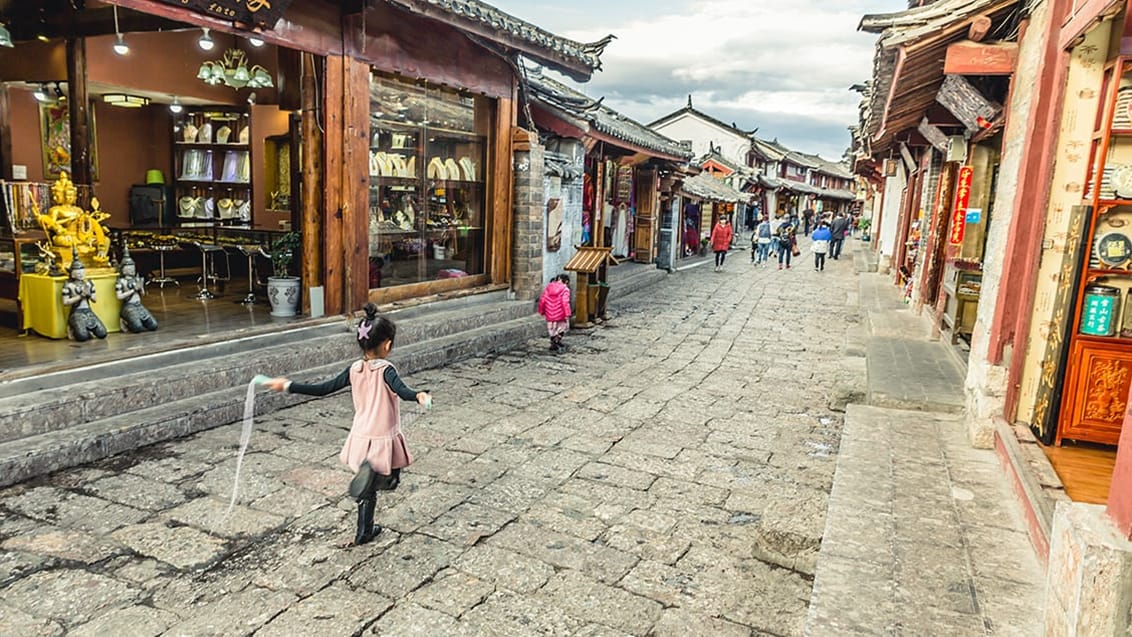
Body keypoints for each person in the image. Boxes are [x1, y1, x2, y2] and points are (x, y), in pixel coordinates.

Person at [263, 304, 430, 546]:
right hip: (383, 435)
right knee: (391, 479)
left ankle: (365, 530)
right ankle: (374, 478)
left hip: (361, 435)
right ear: (388, 345)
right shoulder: (386, 370)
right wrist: (419, 395)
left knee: (368, 491)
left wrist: (288, 385)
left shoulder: (354, 370)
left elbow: (322, 389)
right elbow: (402, 391)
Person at [115, 246, 158, 333]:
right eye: (129, 268)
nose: (131, 270)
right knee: (137, 328)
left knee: (153, 325)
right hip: (129, 306)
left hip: (138, 305)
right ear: (123, 270)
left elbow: (142, 294)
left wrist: (141, 287)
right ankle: (125, 320)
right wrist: (133, 290)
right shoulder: (121, 281)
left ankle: (138, 321)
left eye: (132, 267)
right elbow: (119, 296)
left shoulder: (136, 279)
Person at [538, 274, 572, 352]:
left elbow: (543, 300)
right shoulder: (565, 289)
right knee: (562, 328)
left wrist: (541, 310)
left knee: (551, 328)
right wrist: (567, 314)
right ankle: (557, 341)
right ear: (566, 281)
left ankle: (553, 342)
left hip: (549, 313)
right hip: (560, 314)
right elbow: (565, 302)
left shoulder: (548, 287)